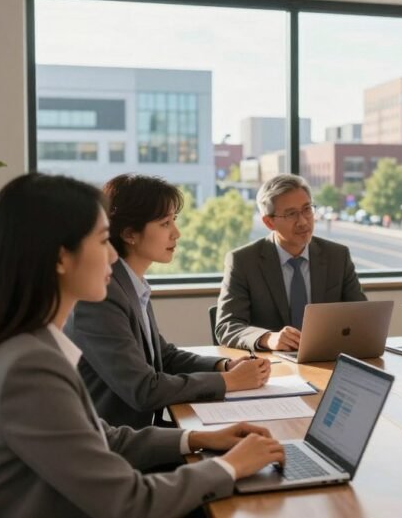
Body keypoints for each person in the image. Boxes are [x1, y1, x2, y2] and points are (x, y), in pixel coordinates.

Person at [0, 173, 283, 518]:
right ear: (61, 258)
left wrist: (199, 440)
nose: (111, 257)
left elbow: (104, 437)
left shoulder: (26, 346)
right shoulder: (27, 367)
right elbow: (128, 502)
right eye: (103, 241)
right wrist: (229, 468)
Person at [65, 174, 270, 429]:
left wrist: (224, 366)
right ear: (130, 234)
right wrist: (231, 381)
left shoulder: (129, 283)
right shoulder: (101, 296)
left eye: (174, 220)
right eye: (164, 223)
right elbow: (144, 389)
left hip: (144, 432)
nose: (177, 233)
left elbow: (164, 357)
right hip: (118, 445)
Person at [216, 174, 366, 351]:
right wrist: (267, 338)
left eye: (307, 209)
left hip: (326, 360)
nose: (303, 221)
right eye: (291, 214)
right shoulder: (243, 261)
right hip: (272, 367)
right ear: (269, 222)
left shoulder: (337, 256)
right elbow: (227, 326)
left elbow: (362, 318)